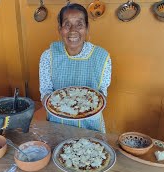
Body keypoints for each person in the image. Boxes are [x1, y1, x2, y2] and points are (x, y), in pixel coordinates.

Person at [39, 3, 112, 133]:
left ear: (87, 28)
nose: (73, 30)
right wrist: (60, 108)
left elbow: (102, 95)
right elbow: (45, 92)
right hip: (57, 126)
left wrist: (84, 107)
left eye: (79, 24)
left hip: (91, 128)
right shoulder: (48, 56)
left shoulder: (102, 57)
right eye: (67, 24)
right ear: (60, 29)